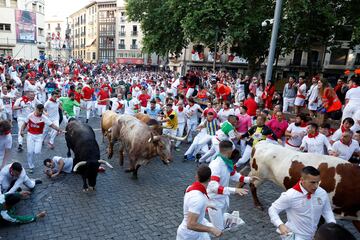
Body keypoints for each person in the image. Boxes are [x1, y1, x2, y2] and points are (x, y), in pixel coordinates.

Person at [268, 166, 336, 240]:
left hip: (314, 236)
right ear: (302, 180)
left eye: (318, 182)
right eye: (312, 182)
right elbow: (273, 209)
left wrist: (332, 226)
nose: (316, 186)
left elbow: (327, 211)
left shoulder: (322, 193)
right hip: (295, 236)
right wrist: (280, 225)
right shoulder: (290, 195)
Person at [207, 140, 256, 230]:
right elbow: (214, 188)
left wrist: (249, 179)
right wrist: (235, 190)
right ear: (229, 151)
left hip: (223, 199)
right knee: (218, 229)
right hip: (215, 202)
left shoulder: (226, 162)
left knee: (220, 225)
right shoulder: (216, 165)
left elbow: (234, 175)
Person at [176, 165, 222, 240]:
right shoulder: (198, 198)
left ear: (196, 177)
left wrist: (206, 205)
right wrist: (211, 229)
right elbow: (190, 224)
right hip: (188, 236)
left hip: (196, 233)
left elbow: (190, 203)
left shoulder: (190, 187)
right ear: (210, 179)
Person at [20, 104, 65, 173]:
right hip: (30, 135)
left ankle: (33, 160)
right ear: (36, 109)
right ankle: (31, 166)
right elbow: (25, 124)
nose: (40, 113)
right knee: (29, 152)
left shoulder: (44, 118)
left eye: (42, 111)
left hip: (39, 136)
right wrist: (22, 130)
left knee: (37, 152)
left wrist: (59, 129)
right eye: (39, 111)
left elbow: (52, 125)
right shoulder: (30, 115)